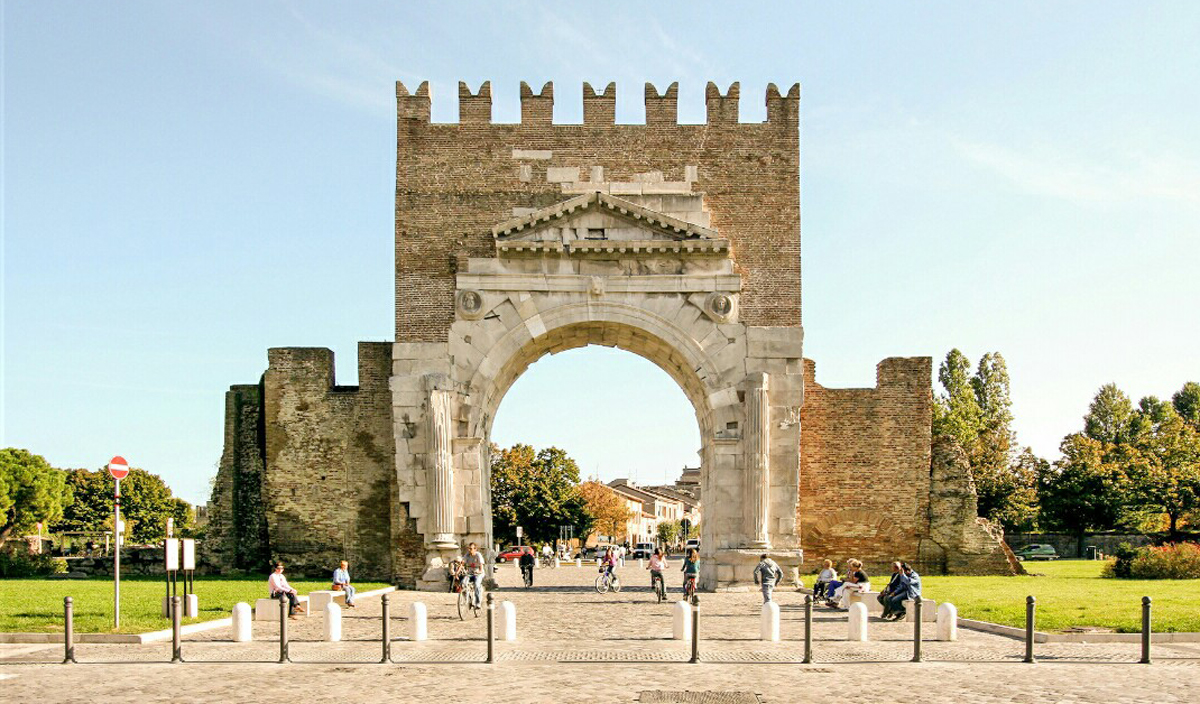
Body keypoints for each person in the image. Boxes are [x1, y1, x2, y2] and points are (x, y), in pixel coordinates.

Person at [463, 542, 485, 608]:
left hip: (478, 573)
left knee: (476, 585)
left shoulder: (478, 555)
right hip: (470, 573)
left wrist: (480, 571)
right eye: (469, 548)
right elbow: (462, 563)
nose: (469, 550)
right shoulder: (467, 555)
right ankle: (468, 600)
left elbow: (481, 565)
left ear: (475, 549)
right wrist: (457, 573)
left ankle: (478, 602)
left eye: (471, 548)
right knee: (463, 583)